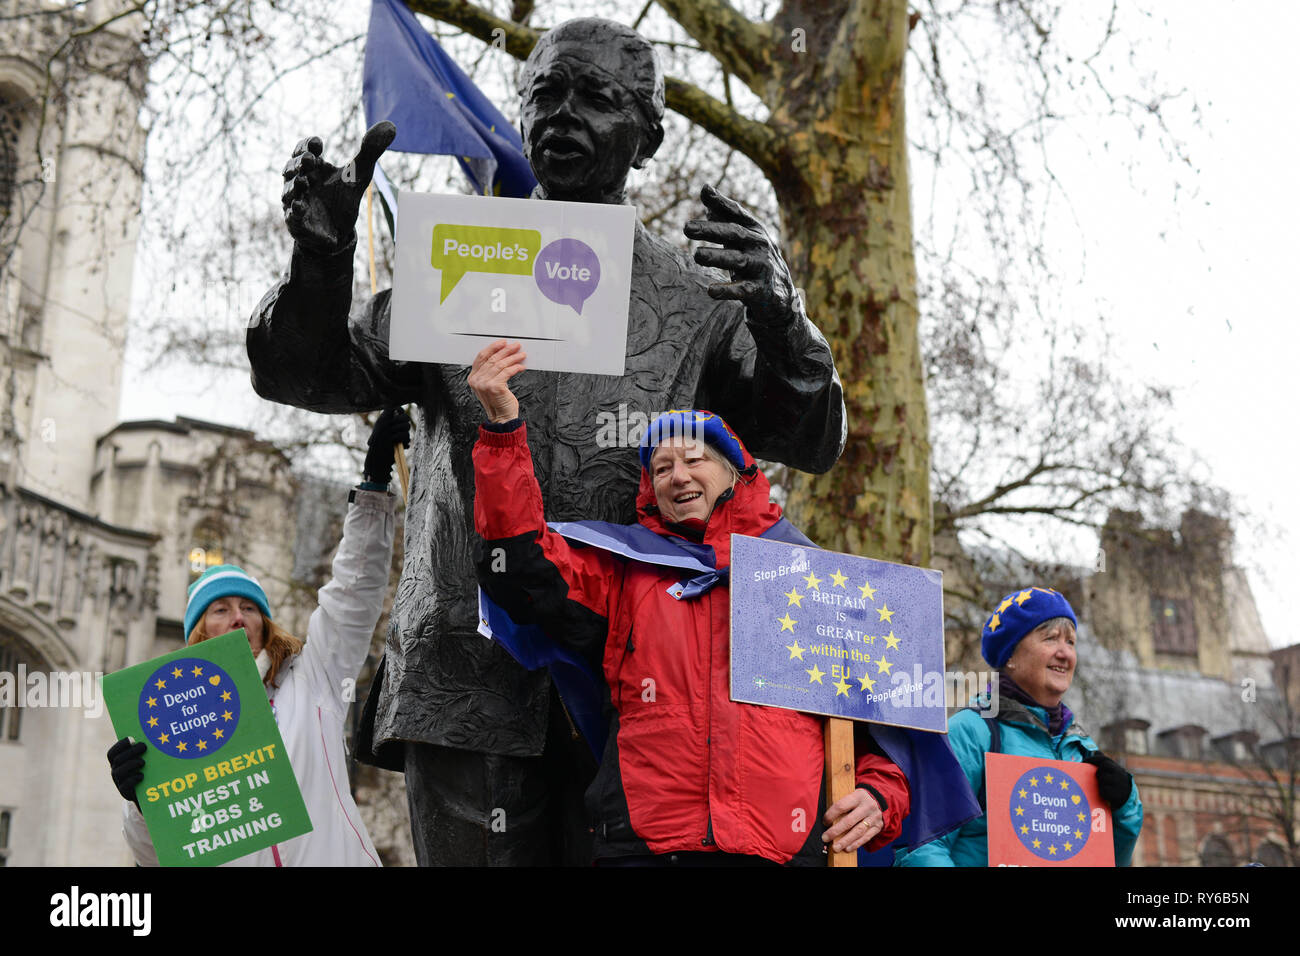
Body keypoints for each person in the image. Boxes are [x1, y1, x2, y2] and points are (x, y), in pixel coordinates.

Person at [249, 17, 845, 865]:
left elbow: (809, 436)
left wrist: (786, 323)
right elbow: (304, 377)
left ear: (648, 139)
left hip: (642, 694)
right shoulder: (458, 264)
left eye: (595, 98)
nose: (564, 114)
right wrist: (321, 258)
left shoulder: (699, 301)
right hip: (465, 677)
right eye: (547, 95)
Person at [469, 340, 904, 864]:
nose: (678, 475)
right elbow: (520, 557)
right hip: (646, 848)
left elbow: (885, 733)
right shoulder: (623, 570)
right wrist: (501, 426)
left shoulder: (814, 580)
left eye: (694, 459)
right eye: (661, 468)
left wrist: (880, 796)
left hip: (786, 852)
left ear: (737, 472)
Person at [106, 409, 409, 866]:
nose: (237, 618)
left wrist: (371, 488)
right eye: (221, 610)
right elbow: (162, 859)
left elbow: (352, 596)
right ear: (198, 633)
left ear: (265, 624)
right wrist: (140, 803)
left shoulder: (313, 681)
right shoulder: (178, 726)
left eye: (249, 608)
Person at [894, 586, 1144, 866]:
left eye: (1071, 642)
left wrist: (1124, 807)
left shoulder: (1082, 748)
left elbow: (1105, 860)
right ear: (1010, 656)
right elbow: (922, 847)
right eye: (1051, 639)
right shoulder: (971, 731)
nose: (1065, 654)